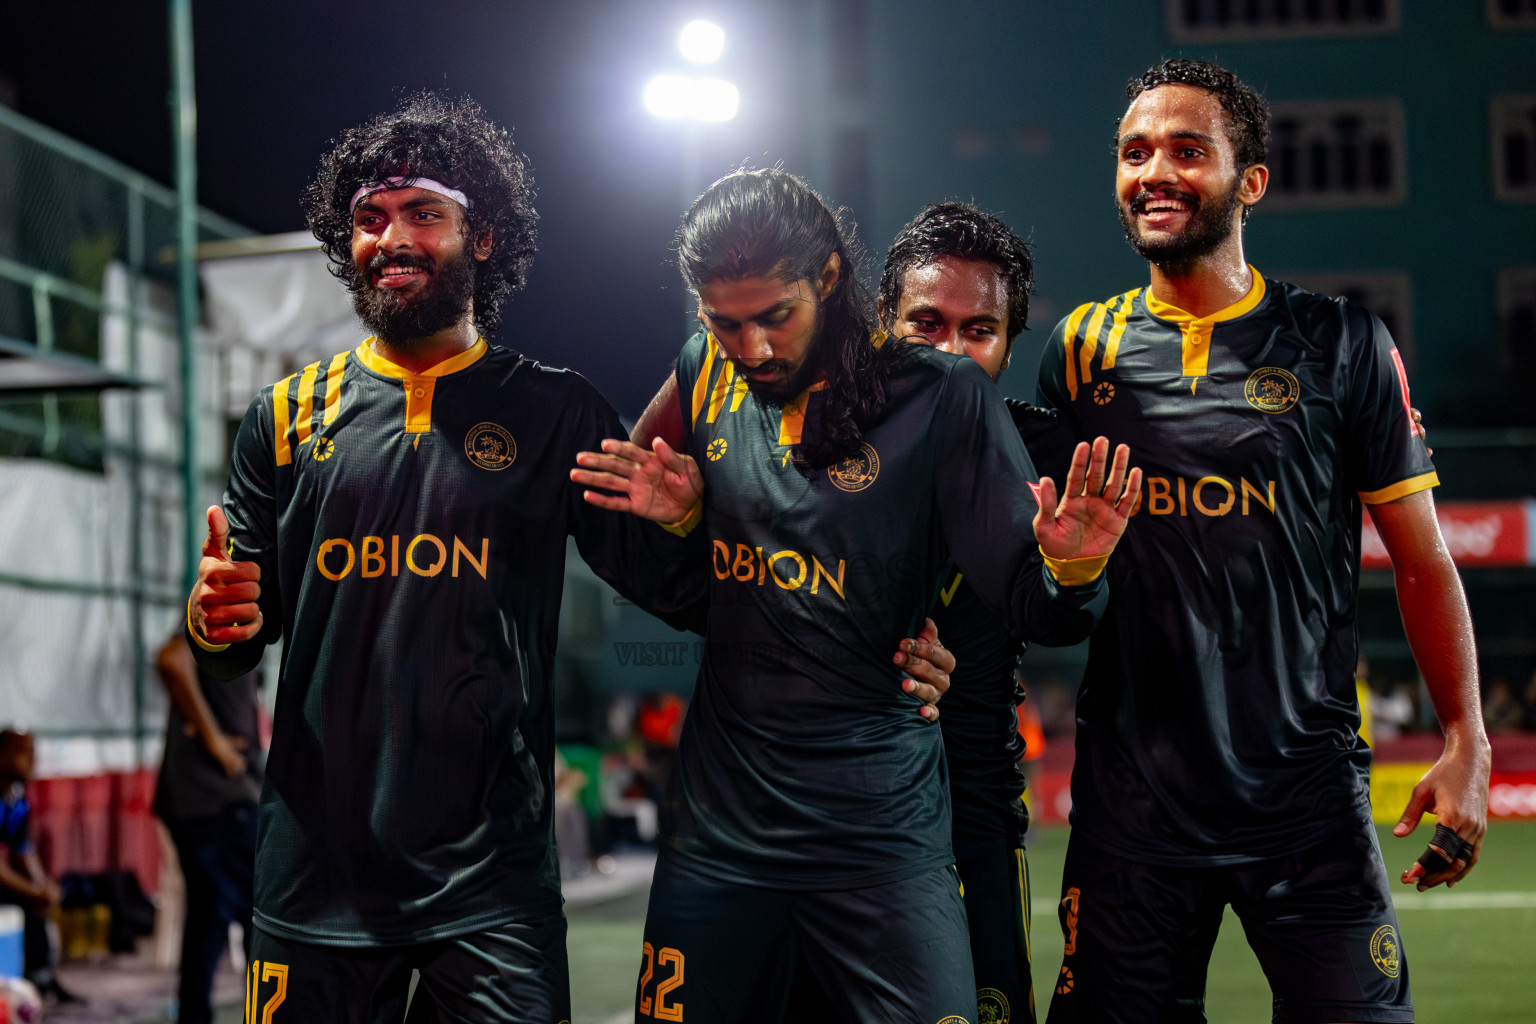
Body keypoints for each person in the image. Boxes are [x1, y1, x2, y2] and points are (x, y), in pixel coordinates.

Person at [184, 91, 718, 1023]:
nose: (391, 237)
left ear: (483, 238)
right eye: (368, 218)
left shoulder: (556, 412)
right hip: (315, 879)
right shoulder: (284, 416)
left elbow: (675, 594)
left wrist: (679, 521)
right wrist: (214, 618)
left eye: (423, 213)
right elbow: (234, 645)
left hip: (491, 884)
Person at [573, 167, 1140, 1023]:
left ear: (830, 279)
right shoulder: (703, 373)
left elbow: (1037, 607)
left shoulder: (944, 399)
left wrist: (1074, 568)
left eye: (775, 317)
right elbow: (679, 577)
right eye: (725, 322)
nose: (752, 347)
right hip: (720, 841)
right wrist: (685, 527)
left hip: (888, 836)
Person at [1038, 59, 1491, 1023]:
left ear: (1252, 182)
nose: (1153, 171)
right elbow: (1032, 555)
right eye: (1134, 153)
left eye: (1187, 150)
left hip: (1306, 802)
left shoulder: (1341, 343)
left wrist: (1466, 737)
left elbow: (1422, 559)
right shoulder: (1079, 349)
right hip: (1132, 808)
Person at [152, 633, 261, 1024]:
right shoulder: (225, 608)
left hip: (213, 799)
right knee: (257, 914)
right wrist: (214, 739)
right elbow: (171, 659)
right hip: (216, 799)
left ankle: (197, 1014)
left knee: (210, 918)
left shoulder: (250, 628)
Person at [0, 728, 76, 1004]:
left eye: (34, 753)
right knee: (27, 898)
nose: (31, 761)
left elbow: (24, 850)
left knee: (40, 900)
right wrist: (33, 891)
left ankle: (41, 978)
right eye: (23, 753)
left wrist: (43, 886)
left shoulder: (17, 799)